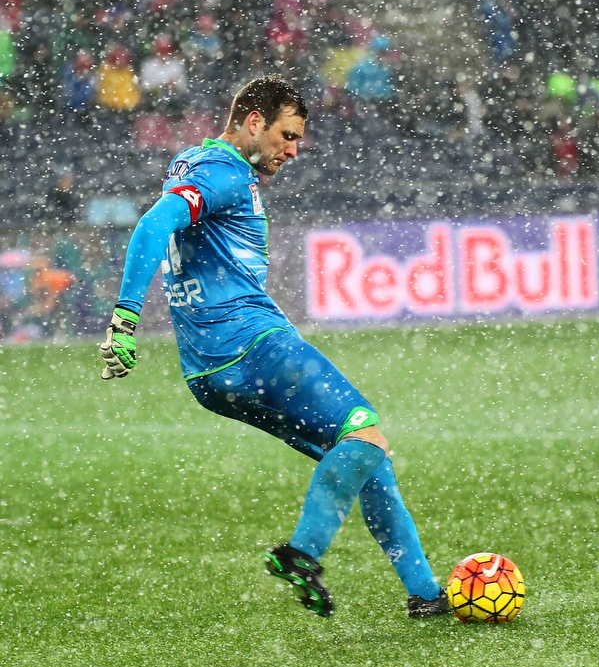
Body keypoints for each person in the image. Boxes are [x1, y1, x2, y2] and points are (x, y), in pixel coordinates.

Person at [99, 74, 449, 619]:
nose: (293, 150)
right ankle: (302, 553)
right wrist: (124, 317)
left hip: (208, 378)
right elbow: (152, 223)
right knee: (365, 432)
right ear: (254, 121)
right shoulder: (225, 174)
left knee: (364, 454)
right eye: (286, 135)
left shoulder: (192, 162)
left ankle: (426, 594)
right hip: (256, 345)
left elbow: (169, 220)